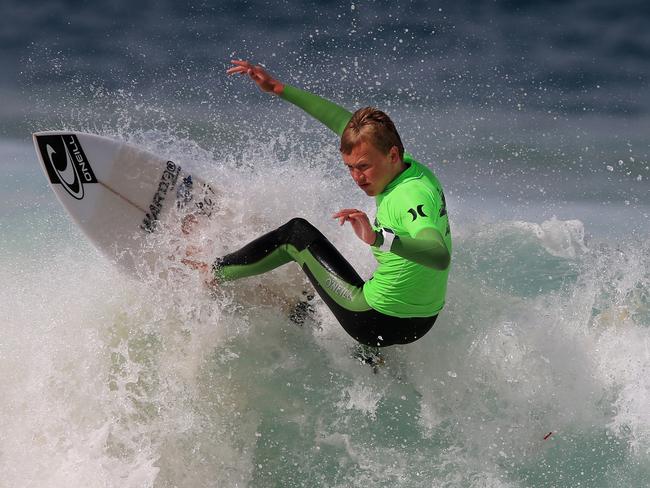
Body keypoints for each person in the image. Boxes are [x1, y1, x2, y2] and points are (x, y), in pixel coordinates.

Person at [185, 60, 452, 348]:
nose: (357, 177)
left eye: (363, 167)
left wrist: (377, 238)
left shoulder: (409, 196)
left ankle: (214, 272)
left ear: (392, 154)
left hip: (376, 320)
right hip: (422, 321)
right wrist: (277, 88)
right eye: (349, 167)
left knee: (296, 236)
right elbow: (340, 120)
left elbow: (438, 254)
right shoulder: (404, 166)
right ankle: (363, 353)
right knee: (330, 275)